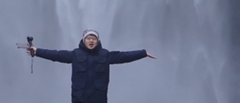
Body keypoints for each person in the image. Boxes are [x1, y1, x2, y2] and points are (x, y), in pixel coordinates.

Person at [22, 29, 156, 103]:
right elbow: (56, 55)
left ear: (97, 41)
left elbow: (124, 56)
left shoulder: (105, 55)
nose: (91, 40)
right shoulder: (75, 54)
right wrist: (37, 51)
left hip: (99, 99)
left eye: (94, 38)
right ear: (84, 40)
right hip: (79, 99)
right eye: (88, 38)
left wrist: (143, 53)